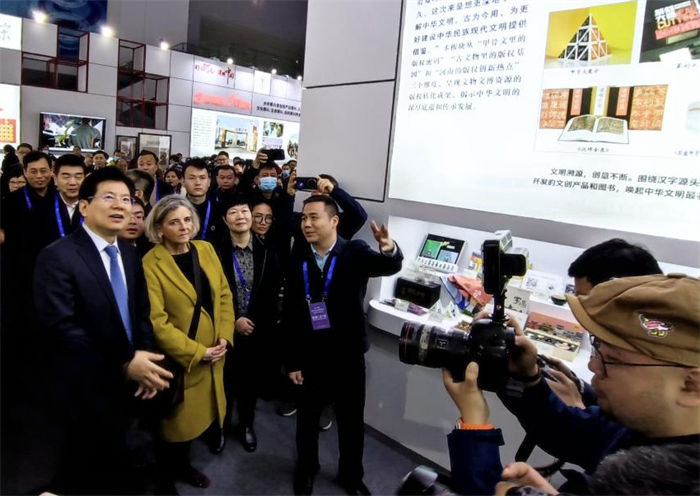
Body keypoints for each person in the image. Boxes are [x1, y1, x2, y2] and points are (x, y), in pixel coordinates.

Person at [33, 167, 173, 494]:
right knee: (84, 466)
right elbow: (62, 328)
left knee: (124, 462)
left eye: (126, 199)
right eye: (109, 197)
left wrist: (145, 358)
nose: (120, 205)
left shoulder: (129, 251)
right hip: (84, 384)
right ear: (84, 206)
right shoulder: (58, 256)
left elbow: (141, 311)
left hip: (131, 381)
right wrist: (125, 362)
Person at [496, 274, 700, 493]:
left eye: (614, 360)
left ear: (691, 387)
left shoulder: (665, 482)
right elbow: (569, 432)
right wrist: (527, 378)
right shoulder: (641, 426)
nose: (593, 365)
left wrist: (476, 428)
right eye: (598, 350)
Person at [283, 195, 403, 496]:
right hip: (310, 353)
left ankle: (351, 475)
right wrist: (293, 360)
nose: (307, 224)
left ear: (334, 221)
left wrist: (388, 247)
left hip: (347, 355)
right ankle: (307, 468)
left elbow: (388, 266)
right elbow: (292, 312)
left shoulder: (355, 251)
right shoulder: (300, 256)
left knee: (350, 421)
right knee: (307, 418)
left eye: (314, 217)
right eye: (304, 218)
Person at [142, 195, 234, 492]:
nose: (183, 227)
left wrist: (225, 335)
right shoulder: (151, 263)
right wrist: (198, 352)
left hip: (215, 354)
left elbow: (224, 295)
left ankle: (183, 466)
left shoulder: (206, 249)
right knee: (173, 425)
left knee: (196, 421)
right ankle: (165, 478)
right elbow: (158, 322)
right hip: (182, 359)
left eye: (186, 220)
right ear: (159, 229)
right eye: (174, 222)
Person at [218, 195, 281, 452]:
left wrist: (254, 323)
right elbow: (211, 293)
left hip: (257, 330)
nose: (240, 216)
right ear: (225, 220)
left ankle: (246, 425)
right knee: (223, 382)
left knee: (249, 383)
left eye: (244, 211)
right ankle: (220, 426)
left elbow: (270, 294)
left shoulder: (268, 251)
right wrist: (234, 319)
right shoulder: (215, 251)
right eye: (233, 212)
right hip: (225, 329)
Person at [182, 158, 226, 242]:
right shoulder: (174, 210)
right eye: (192, 178)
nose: (198, 183)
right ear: (183, 181)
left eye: (202, 178)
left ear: (209, 182)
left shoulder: (220, 210)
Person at [52, 153, 86, 237]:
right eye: (66, 177)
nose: (72, 183)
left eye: (78, 177)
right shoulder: (42, 207)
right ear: (55, 179)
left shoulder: (94, 207)